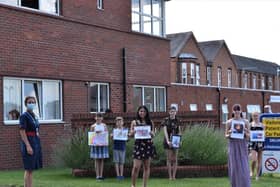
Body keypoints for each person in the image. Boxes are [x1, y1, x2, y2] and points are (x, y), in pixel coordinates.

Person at [225, 104, 251, 187]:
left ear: (240, 111)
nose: (236, 111)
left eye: (238, 109)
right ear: (233, 111)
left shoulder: (245, 122)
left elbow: (249, 136)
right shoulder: (229, 122)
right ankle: (235, 184)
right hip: (233, 145)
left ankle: (245, 184)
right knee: (234, 166)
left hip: (242, 145)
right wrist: (229, 133)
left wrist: (246, 131)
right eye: (235, 110)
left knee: (244, 166)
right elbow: (225, 136)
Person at [129, 106, 156, 187]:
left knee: (146, 167)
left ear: (146, 112)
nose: (142, 113)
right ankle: (133, 185)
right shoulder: (134, 122)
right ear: (138, 112)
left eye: (144, 111)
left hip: (148, 145)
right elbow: (130, 135)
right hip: (138, 145)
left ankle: (144, 185)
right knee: (136, 167)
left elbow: (153, 135)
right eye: (140, 111)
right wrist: (133, 131)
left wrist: (152, 133)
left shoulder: (150, 122)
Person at [19, 96, 42, 187]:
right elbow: (22, 131)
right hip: (29, 141)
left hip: (35, 141)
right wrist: (27, 145)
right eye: (29, 102)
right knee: (28, 168)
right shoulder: (24, 116)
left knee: (31, 168)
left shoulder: (34, 115)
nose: (31, 103)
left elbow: (36, 127)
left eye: (33, 102)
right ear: (26, 104)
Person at [161, 106, 181, 180]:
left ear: (176, 112)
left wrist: (180, 140)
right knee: (169, 159)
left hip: (176, 141)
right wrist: (168, 141)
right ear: (169, 112)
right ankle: (169, 176)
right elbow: (165, 131)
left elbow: (179, 131)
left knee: (175, 159)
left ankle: (174, 176)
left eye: (174, 111)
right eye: (171, 111)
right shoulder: (165, 120)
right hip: (168, 141)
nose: (173, 113)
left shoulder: (178, 120)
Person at [90, 113, 109, 180]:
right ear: (95, 118)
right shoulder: (93, 126)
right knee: (96, 160)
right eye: (97, 117)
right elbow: (91, 136)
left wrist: (102, 133)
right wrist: (95, 133)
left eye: (100, 117)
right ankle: (97, 175)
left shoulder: (104, 125)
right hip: (95, 144)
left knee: (102, 160)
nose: (98, 118)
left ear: (102, 118)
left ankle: (101, 175)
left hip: (102, 144)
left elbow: (106, 134)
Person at [248, 112, 265, 181]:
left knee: (259, 160)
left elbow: (264, 134)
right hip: (253, 143)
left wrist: (263, 136)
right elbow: (248, 134)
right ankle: (252, 171)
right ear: (252, 116)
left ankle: (257, 175)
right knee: (254, 159)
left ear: (259, 116)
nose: (255, 117)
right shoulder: (250, 124)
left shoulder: (262, 125)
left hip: (260, 143)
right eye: (254, 116)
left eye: (257, 116)